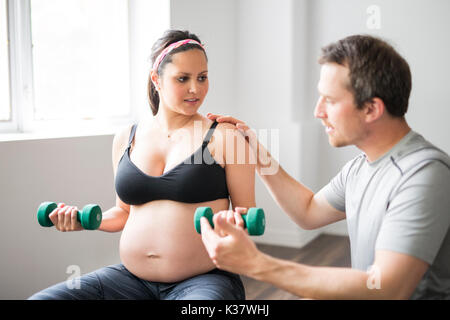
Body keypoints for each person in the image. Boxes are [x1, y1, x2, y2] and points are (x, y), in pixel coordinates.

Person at [200, 34, 450, 300]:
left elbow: (388, 288)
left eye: (329, 100)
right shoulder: (360, 168)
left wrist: (256, 264)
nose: (318, 111)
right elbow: (307, 211)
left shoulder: (425, 175)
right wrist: (258, 154)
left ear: (371, 109)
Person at [29, 29, 255, 300]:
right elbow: (123, 213)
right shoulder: (126, 138)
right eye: (183, 78)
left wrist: (232, 224)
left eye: (202, 77)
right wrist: (84, 221)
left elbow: (247, 217)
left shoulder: (226, 137)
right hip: (130, 280)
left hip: (204, 280)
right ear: (156, 79)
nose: (196, 88)